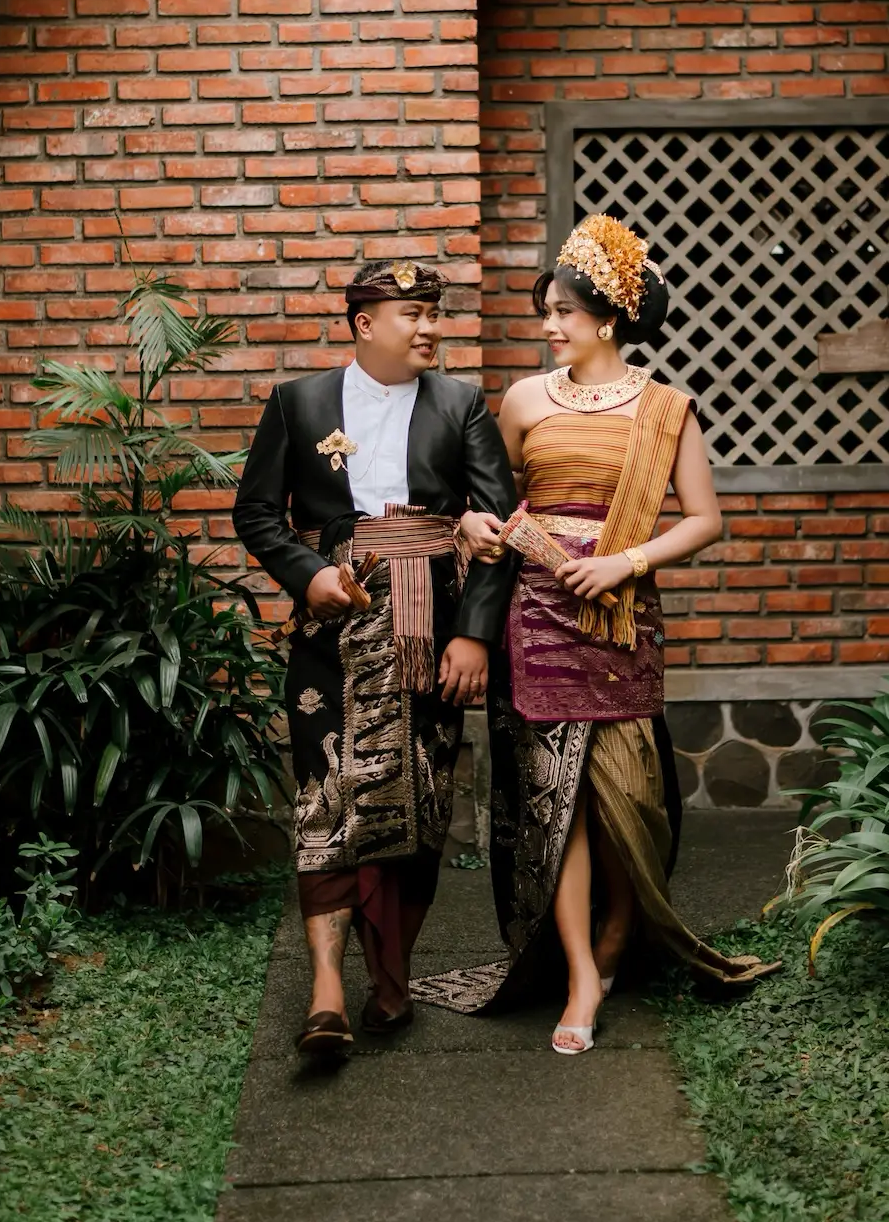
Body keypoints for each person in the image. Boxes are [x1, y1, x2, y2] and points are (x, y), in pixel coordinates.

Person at [415, 215, 779, 1052]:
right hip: (536, 620)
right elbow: (489, 500)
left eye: (564, 313)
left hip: (619, 621)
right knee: (558, 805)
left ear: (608, 319)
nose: (549, 326)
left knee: (624, 799)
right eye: (546, 312)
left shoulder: (665, 410)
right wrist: (472, 525)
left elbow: (705, 519)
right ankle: (580, 974)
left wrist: (625, 563)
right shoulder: (523, 401)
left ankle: (618, 935)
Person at [232, 259, 517, 1059]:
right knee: (325, 799)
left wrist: (475, 635)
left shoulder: (461, 404)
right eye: (412, 313)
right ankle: (327, 990)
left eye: (434, 312)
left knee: (420, 804)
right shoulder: (299, 403)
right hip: (332, 633)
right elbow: (258, 511)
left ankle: (392, 977)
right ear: (364, 323)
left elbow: (499, 527)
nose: (430, 327)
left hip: (433, 634)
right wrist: (308, 574)